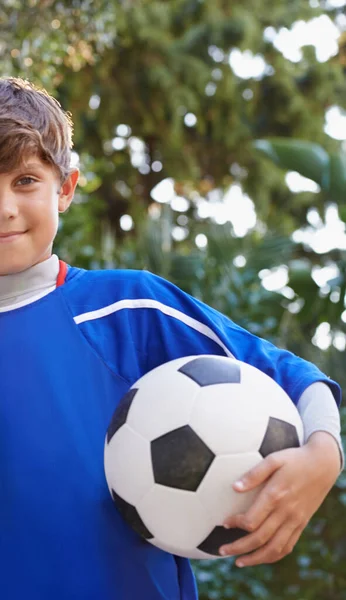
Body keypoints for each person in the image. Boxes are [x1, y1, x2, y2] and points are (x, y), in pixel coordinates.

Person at [0, 76, 343, 600]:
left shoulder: (126, 308)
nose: (4, 207)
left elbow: (296, 378)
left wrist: (322, 456)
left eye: (24, 180)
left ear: (65, 188)